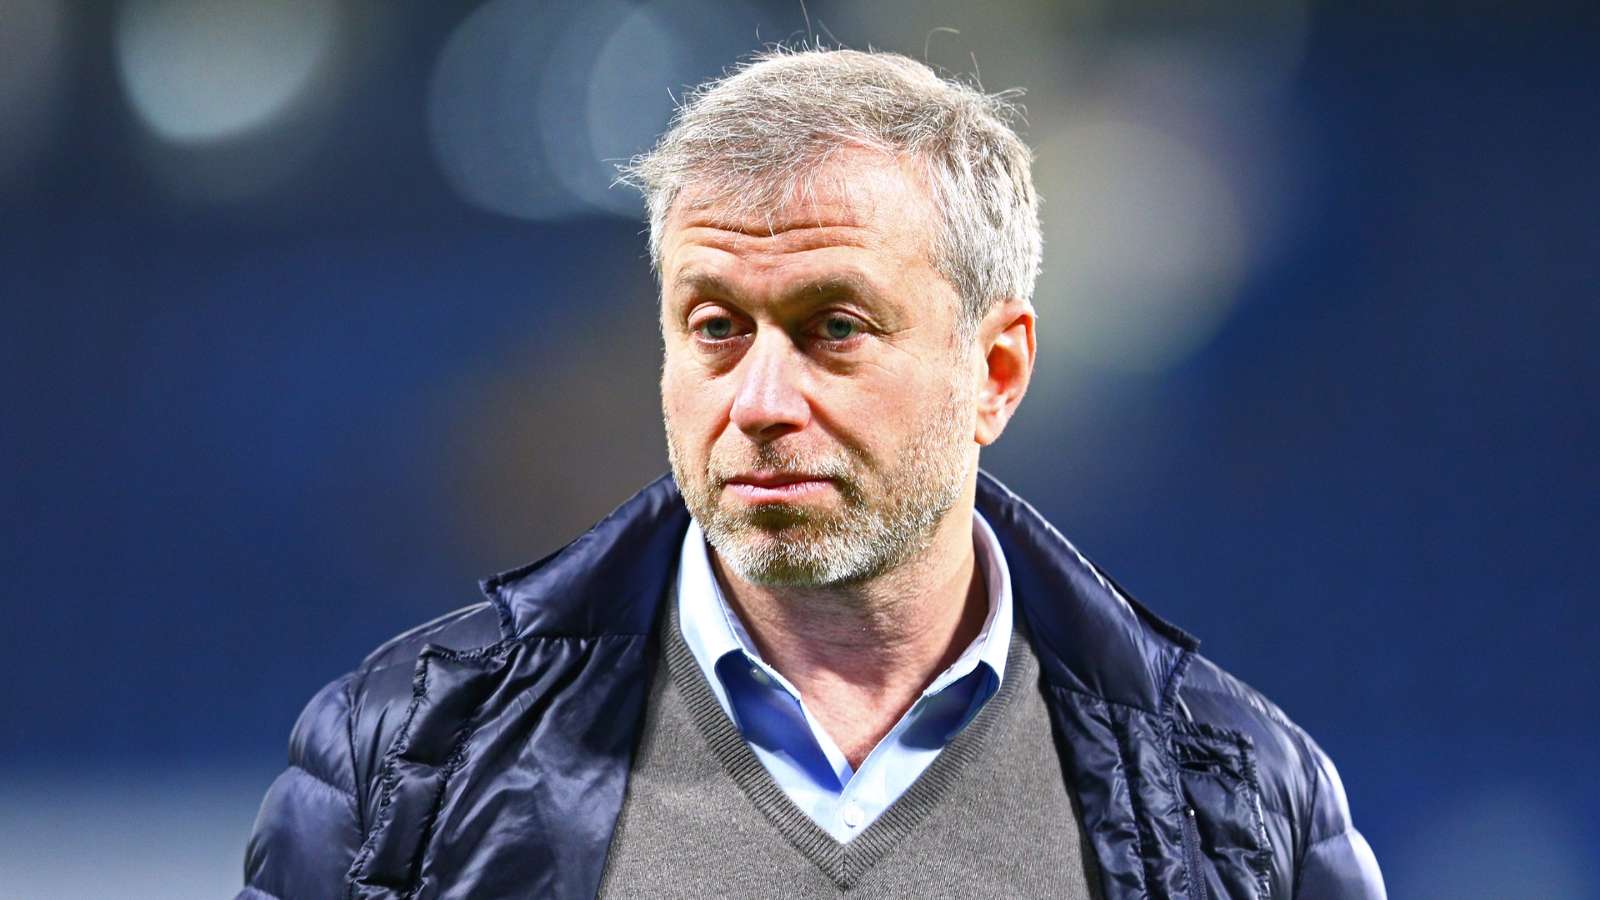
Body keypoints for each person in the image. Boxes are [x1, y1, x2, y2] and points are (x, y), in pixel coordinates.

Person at [238, 48, 1384, 900]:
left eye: (835, 327)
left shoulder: (1234, 796)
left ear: (994, 371)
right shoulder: (400, 769)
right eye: (715, 328)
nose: (762, 402)